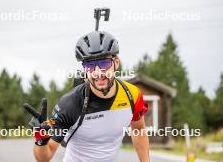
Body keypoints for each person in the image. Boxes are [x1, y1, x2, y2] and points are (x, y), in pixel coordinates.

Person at [29, 31, 149, 162]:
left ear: (116, 63)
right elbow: (44, 158)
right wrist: (40, 139)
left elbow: (139, 130)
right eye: (90, 66)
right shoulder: (70, 103)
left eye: (104, 64)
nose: (97, 72)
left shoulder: (133, 94)